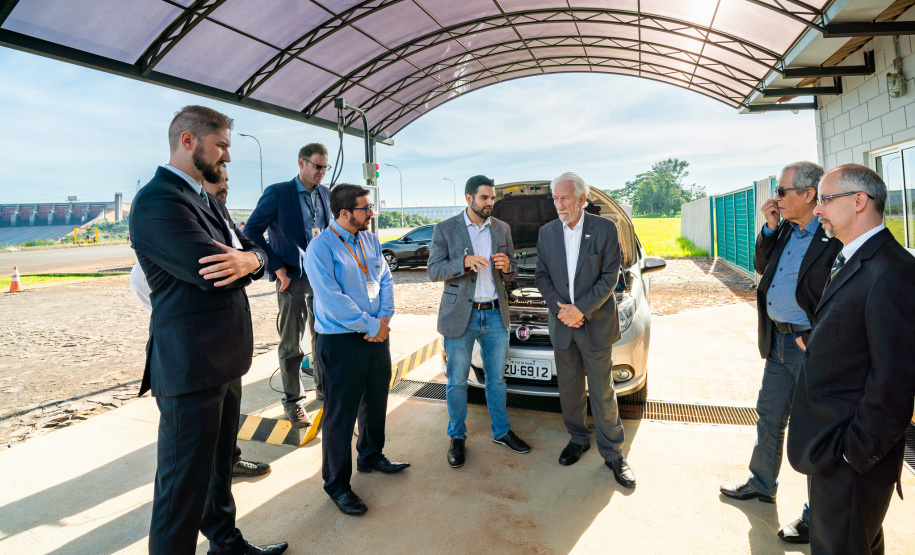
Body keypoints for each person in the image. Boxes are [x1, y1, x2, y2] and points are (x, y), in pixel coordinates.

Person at [130, 105, 286, 554]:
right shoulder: (159, 200)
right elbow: (210, 272)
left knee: (219, 471)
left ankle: (227, 544)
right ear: (188, 141)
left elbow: (253, 250)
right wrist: (248, 262)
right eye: (221, 147)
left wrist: (252, 260)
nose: (227, 158)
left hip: (223, 362)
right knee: (181, 492)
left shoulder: (202, 197)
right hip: (190, 368)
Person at [786, 164, 915, 555]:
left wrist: (852, 453)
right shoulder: (852, 256)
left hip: (852, 458)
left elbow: (895, 380)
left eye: (825, 199)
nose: (818, 209)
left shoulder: (892, 271)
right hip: (830, 449)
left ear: (859, 201)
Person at [719, 162, 841, 544]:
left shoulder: (832, 235)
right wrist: (769, 228)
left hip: (811, 346)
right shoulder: (785, 229)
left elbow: (844, 297)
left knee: (813, 432)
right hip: (779, 342)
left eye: (783, 192)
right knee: (769, 416)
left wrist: (818, 336)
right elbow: (761, 266)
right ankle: (761, 483)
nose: (776, 198)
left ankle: (814, 516)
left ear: (809, 195)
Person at [129, 166, 270, 479]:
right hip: (193, 352)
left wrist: (251, 260)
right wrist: (178, 316)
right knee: (188, 466)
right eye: (220, 178)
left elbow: (253, 252)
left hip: (226, 347)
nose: (226, 185)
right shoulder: (171, 216)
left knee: (226, 425)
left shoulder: (219, 214)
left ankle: (229, 461)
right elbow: (142, 284)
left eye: (229, 180)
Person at [304, 184, 409, 516]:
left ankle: (370, 455)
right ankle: (337, 484)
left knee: (376, 400)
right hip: (341, 342)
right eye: (366, 209)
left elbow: (386, 279)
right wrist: (371, 325)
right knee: (341, 414)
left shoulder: (371, 239)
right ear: (344, 213)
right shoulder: (319, 249)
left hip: (378, 333)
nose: (371, 213)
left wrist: (385, 318)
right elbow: (333, 300)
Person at [534, 172, 635, 488]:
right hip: (564, 325)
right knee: (570, 389)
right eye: (555, 198)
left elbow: (610, 276)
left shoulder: (605, 229)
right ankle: (578, 438)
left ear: (581, 199)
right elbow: (541, 277)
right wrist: (562, 311)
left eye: (564, 198)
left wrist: (581, 310)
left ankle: (614, 454)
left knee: (603, 392)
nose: (558, 204)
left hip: (595, 326)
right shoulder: (547, 232)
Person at [426, 174, 530, 468]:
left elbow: (511, 273)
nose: (490, 203)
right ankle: (457, 437)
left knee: (496, 378)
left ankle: (501, 431)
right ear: (469, 198)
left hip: (496, 313)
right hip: (461, 314)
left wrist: (509, 266)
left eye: (492, 198)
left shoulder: (502, 229)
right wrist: (463, 263)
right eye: (485, 198)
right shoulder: (445, 229)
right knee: (457, 381)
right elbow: (433, 270)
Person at [244, 143, 332, 427]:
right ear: (301, 163)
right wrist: (276, 266)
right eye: (317, 166)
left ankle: (325, 391)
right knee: (291, 343)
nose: (321, 172)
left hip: (321, 276)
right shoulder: (279, 192)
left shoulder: (326, 194)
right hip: (292, 277)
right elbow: (251, 231)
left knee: (324, 336)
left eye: (324, 167)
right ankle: (293, 402)